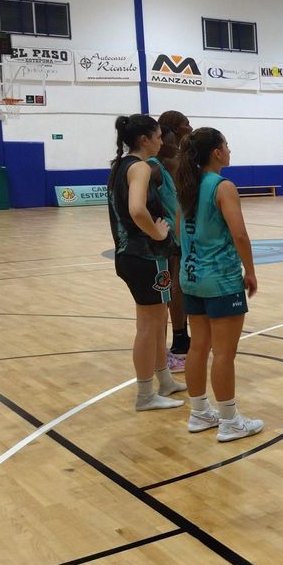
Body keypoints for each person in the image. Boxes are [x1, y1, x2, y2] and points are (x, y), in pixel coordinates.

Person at [173, 127, 264, 443]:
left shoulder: (186, 184)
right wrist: (250, 270)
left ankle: (199, 412)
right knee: (225, 352)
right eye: (226, 144)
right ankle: (229, 420)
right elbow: (239, 234)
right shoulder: (223, 187)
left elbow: (177, 229)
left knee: (198, 346)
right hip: (220, 279)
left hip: (191, 277)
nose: (229, 149)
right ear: (216, 152)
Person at [107, 114, 186, 411]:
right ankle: (144, 394)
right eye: (157, 135)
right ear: (144, 139)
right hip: (144, 255)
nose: (162, 141)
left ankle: (163, 381)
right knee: (148, 326)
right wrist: (159, 233)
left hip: (134, 255)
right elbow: (137, 209)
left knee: (156, 323)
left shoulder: (120, 167)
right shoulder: (139, 167)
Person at [157, 110, 192, 372]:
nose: (190, 127)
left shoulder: (172, 157)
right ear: (175, 129)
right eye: (185, 124)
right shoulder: (169, 159)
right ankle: (180, 341)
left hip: (176, 229)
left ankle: (181, 340)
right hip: (172, 231)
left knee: (177, 285)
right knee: (176, 286)